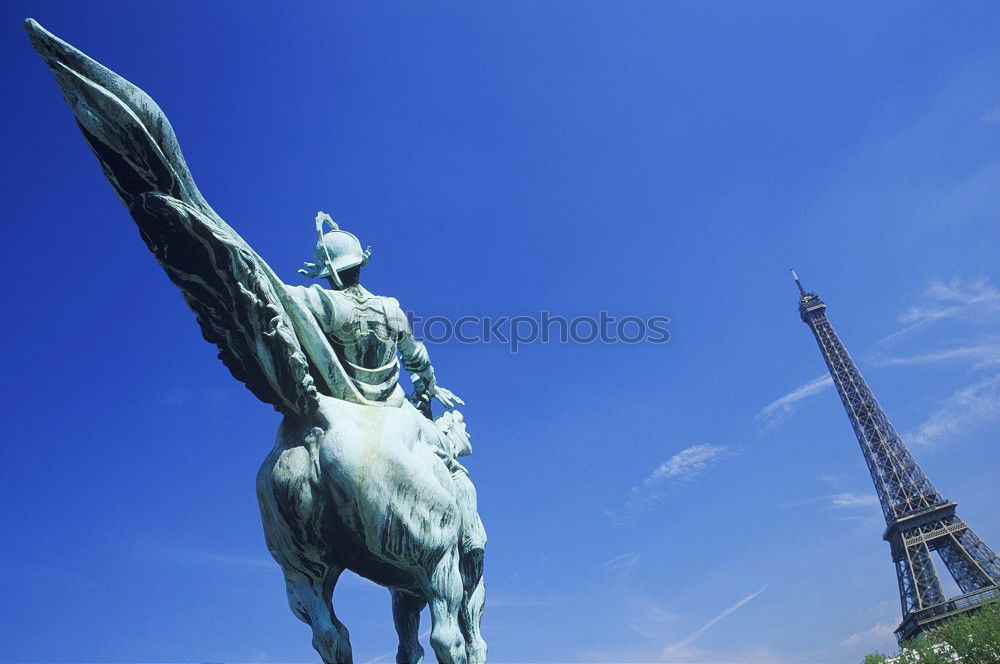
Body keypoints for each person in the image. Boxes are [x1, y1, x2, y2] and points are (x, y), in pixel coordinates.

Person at [292, 212, 463, 415]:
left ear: (328, 274)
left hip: (337, 405)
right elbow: (418, 358)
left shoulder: (320, 301)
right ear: (361, 263)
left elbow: (274, 294)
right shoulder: (391, 309)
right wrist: (429, 387)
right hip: (392, 405)